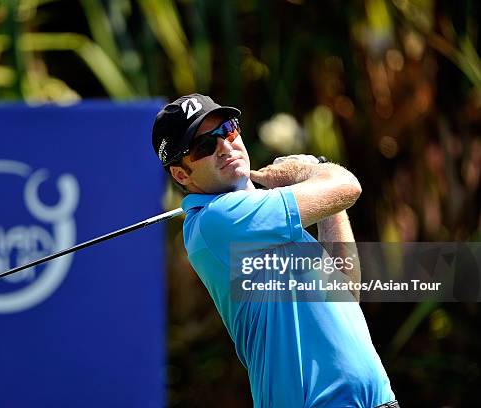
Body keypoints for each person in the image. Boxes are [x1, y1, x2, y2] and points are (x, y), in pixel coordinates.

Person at [152, 94, 398, 407]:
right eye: (204, 146)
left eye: (227, 129)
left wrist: (326, 203)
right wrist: (311, 171)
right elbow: (348, 186)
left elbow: (345, 291)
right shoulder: (219, 220)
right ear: (181, 174)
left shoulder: (265, 218)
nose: (226, 147)